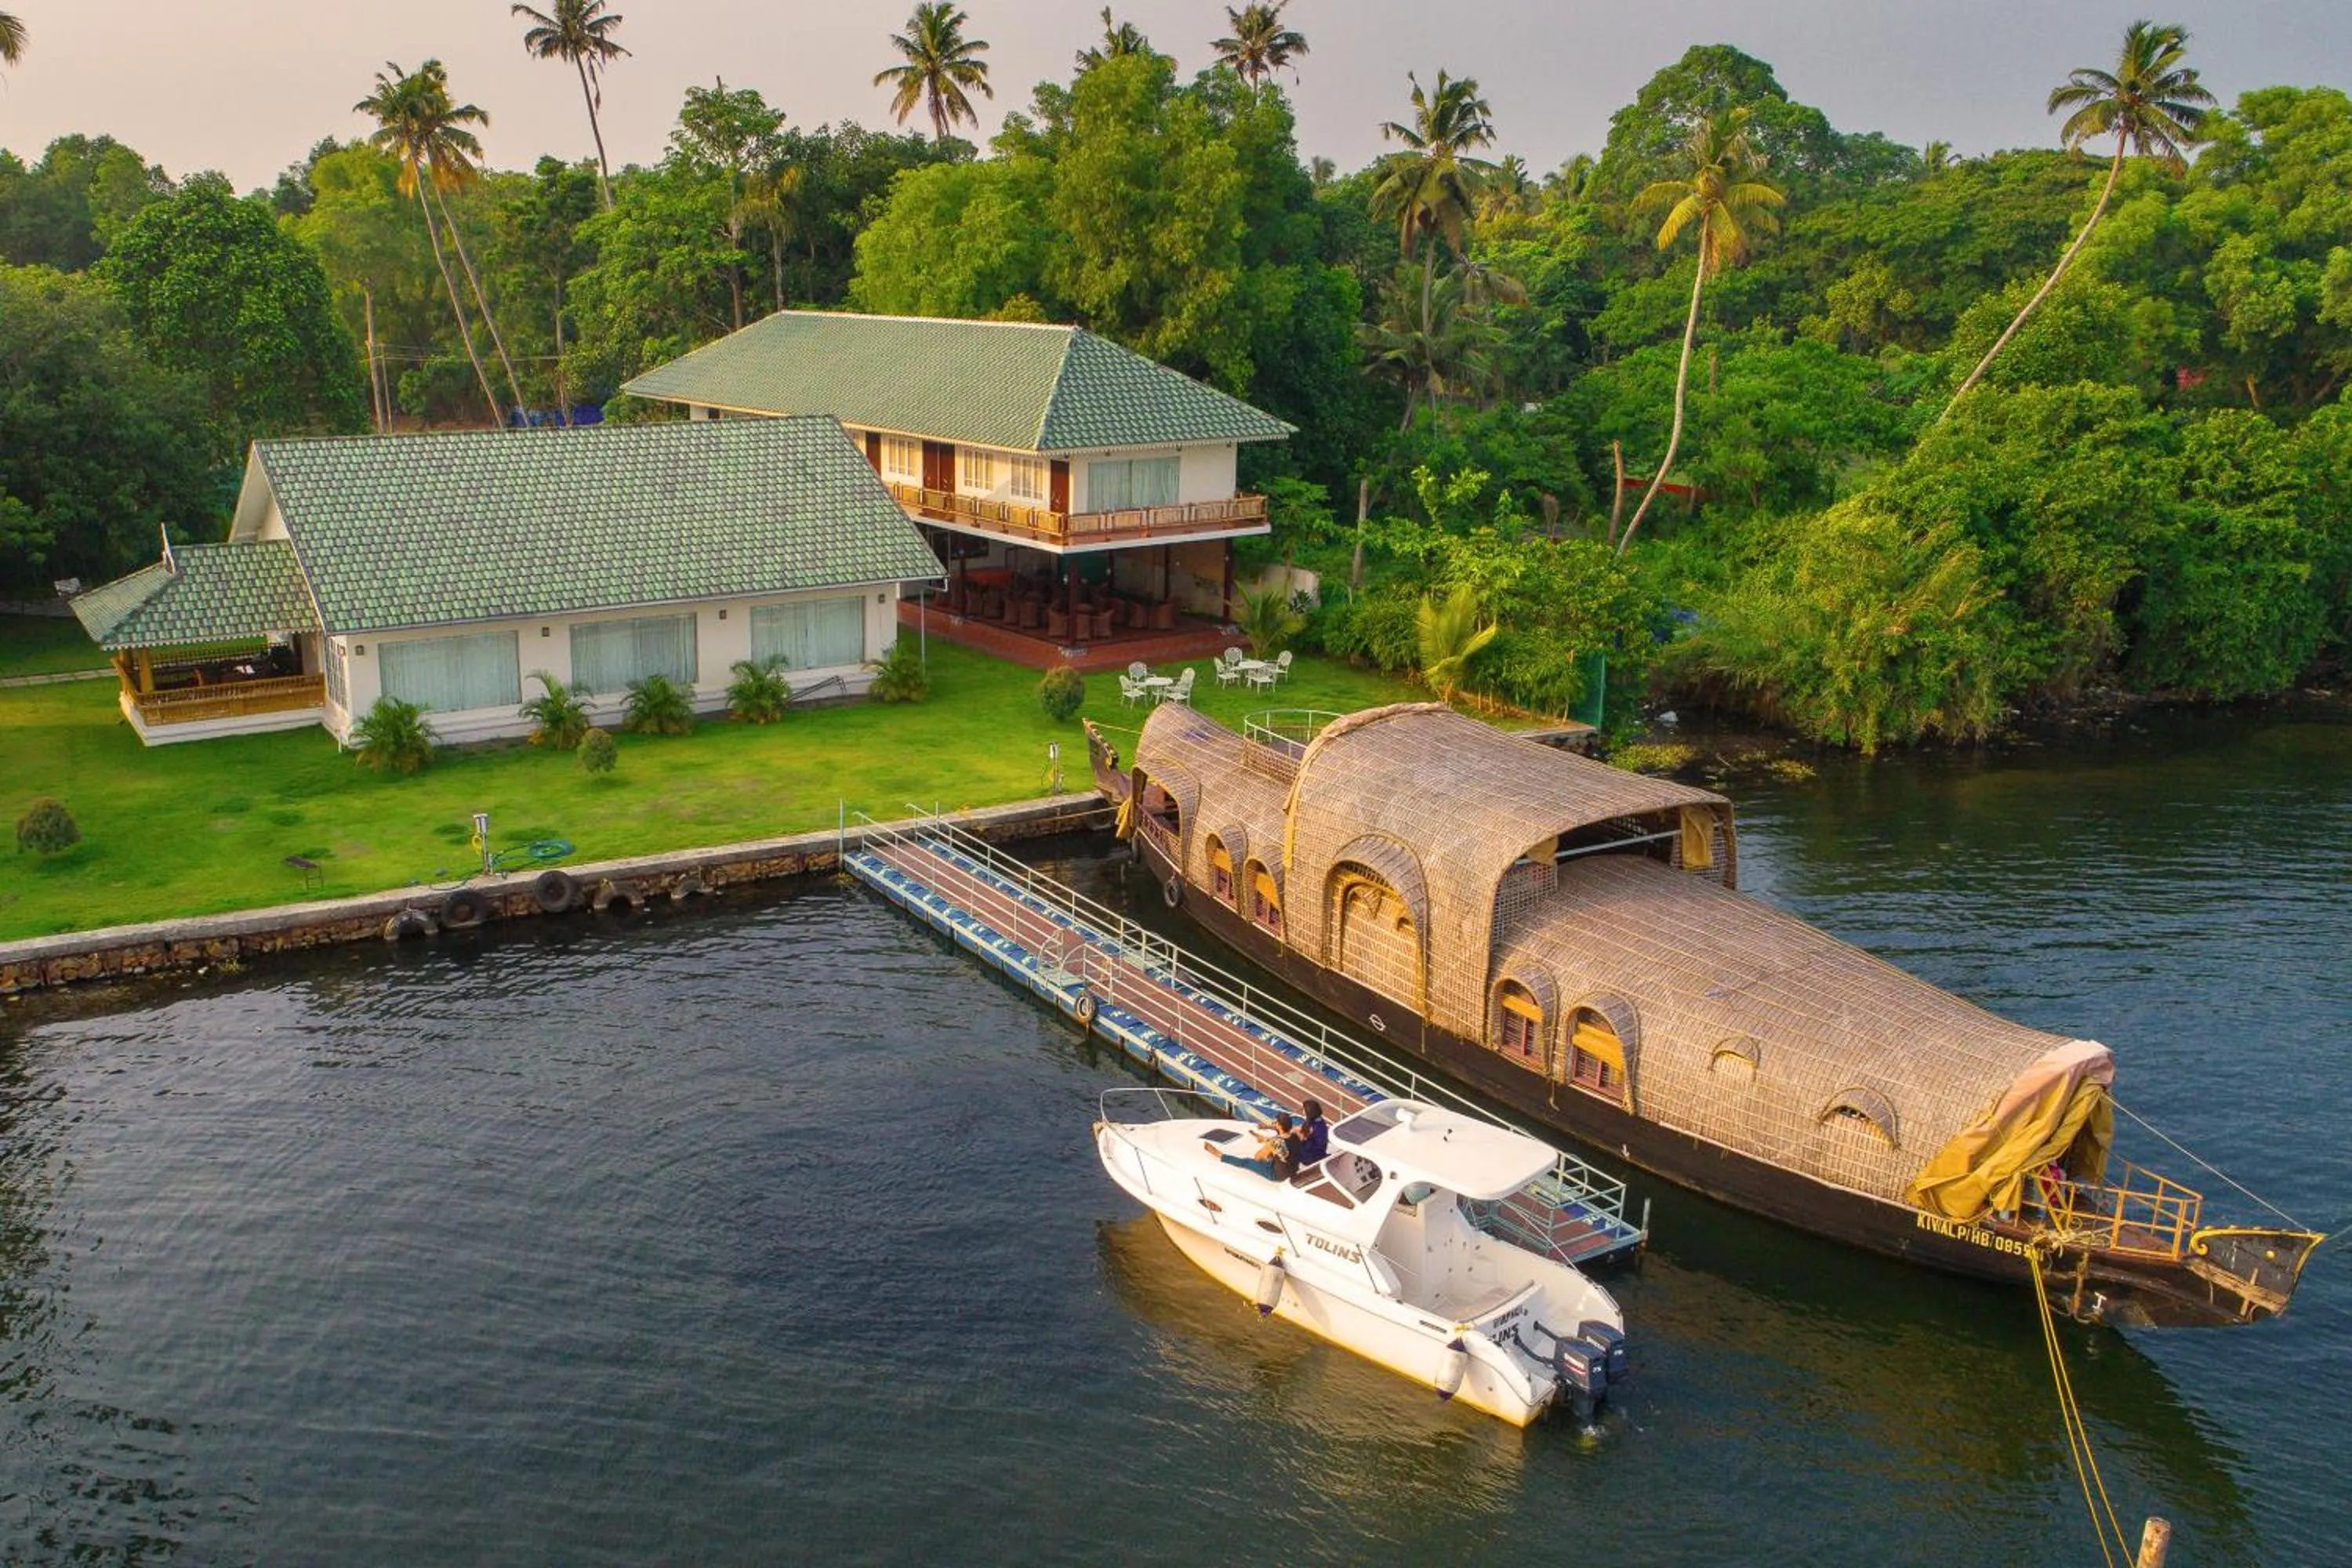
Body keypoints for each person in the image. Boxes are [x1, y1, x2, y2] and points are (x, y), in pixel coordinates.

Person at [1207, 1113, 1294, 1181]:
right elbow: (1281, 1145)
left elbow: (1257, 1158)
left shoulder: (1275, 1142)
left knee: (1246, 1162)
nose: (1274, 1124)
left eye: (1275, 1123)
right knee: (1271, 1152)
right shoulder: (1296, 1136)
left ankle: (1220, 1155)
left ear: (1279, 1126)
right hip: (1292, 1169)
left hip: (1277, 1175)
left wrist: (1267, 1146)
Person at [1286, 1099, 1330, 1173]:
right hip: (1320, 1152)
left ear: (1309, 1111)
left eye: (1303, 1109)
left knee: (1289, 1140)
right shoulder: (1320, 1120)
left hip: (1310, 1157)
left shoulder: (1311, 1127)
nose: (1302, 1110)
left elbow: (1301, 1137)